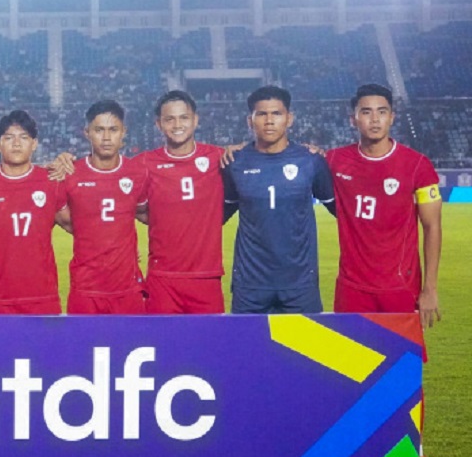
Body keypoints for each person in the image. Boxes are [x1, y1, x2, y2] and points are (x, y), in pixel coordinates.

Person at [328, 84, 442, 322]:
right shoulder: (336, 160)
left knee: (401, 359)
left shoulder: (418, 165)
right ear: (354, 119)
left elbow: (432, 227)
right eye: (366, 112)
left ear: (392, 117)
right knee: (350, 358)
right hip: (351, 287)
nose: (375, 119)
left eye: (382, 111)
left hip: (400, 285)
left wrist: (430, 288)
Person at [222, 85, 335, 314]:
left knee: (304, 350)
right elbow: (215, 217)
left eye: (277, 113)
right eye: (261, 114)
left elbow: (342, 211)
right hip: (250, 285)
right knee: (248, 349)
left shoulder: (311, 161)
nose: (269, 121)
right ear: (249, 120)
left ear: (289, 118)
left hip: (300, 285)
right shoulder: (235, 162)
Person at [0, 109, 68, 314]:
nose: (17, 143)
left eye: (24, 137)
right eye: (9, 138)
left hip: (42, 297)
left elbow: (78, 226)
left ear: (34, 143)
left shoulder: (51, 182)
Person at [136, 90, 227, 314]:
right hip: (163, 278)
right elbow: (125, 198)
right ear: (159, 124)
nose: (178, 124)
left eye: (184, 117)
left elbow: (260, 152)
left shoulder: (219, 157)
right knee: (164, 346)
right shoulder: (144, 163)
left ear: (195, 120)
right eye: (170, 119)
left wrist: (309, 150)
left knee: (209, 347)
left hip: (207, 277)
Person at [63, 100, 149, 315]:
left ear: (123, 132)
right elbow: (60, 217)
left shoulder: (138, 173)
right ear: (87, 132)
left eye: (113, 129)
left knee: (131, 343)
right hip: (85, 288)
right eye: (99, 130)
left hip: (127, 287)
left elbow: (146, 214)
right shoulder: (69, 174)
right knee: (82, 348)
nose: (107, 137)